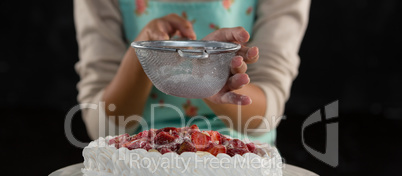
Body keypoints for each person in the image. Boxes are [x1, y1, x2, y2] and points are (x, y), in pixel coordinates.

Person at [74, 0, 310, 144]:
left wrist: (210, 77)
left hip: (241, 167)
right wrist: (147, 51)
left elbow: (266, 117)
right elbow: (100, 127)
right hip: (133, 165)